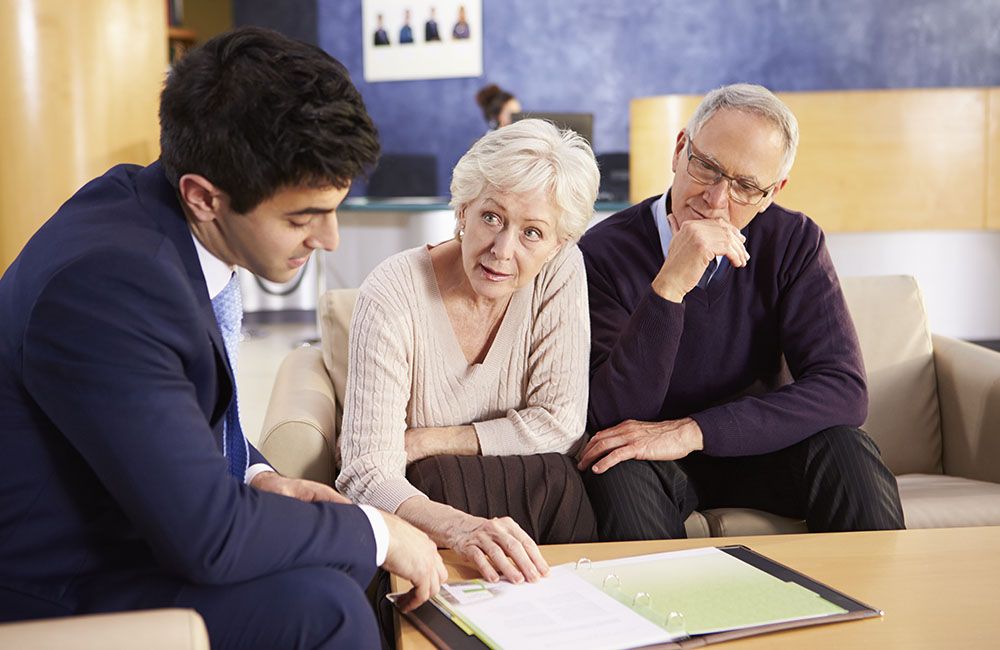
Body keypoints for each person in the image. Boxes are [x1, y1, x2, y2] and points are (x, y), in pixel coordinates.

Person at [0, 27, 446, 649]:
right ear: (205, 197)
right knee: (329, 605)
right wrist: (382, 530)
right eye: (301, 217)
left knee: (338, 561)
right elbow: (208, 538)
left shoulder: (152, 214)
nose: (329, 239)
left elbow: (191, 421)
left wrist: (259, 477)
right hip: (60, 585)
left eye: (334, 207)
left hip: (131, 527)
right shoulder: (107, 285)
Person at [577, 83, 905, 540]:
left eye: (746, 187)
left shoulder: (793, 242)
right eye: (706, 167)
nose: (716, 200)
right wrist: (670, 286)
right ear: (679, 150)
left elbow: (843, 390)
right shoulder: (600, 252)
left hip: (761, 450)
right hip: (653, 464)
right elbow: (611, 412)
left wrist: (693, 431)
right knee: (613, 463)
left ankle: (883, 606)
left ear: (773, 192)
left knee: (847, 448)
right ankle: (657, 613)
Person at [338, 119, 601, 588]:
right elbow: (366, 473)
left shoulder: (560, 272)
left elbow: (561, 424)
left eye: (532, 233)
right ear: (462, 211)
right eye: (491, 217)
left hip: (544, 506)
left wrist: (428, 439)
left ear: (559, 244)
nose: (502, 250)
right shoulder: (392, 293)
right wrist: (461, 528)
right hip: (425, 517)